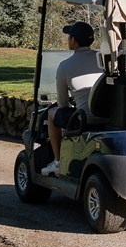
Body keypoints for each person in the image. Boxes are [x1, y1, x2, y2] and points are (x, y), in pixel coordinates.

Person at [41, 21, 104, 176]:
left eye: (69, 37)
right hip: (107, 115)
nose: (68, 40)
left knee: (51, 114)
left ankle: (57, 161)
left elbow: (63, 103)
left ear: (74, 41)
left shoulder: (65, 66)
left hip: (84, 118)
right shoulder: (104, 59)